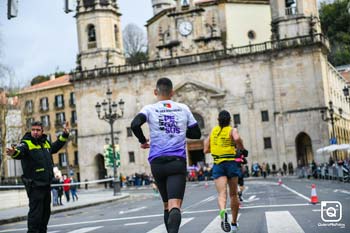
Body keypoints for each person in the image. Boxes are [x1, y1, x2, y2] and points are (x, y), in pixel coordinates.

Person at [131, 77, 201, 233]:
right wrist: (180, 128)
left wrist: (143, 140)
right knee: (174, 205)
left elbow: (135, 124)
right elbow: (196, 133)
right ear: (172, 92)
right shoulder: (183, 108)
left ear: (156, 92)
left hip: (157, 163)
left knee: (166, 205)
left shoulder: (149, 109)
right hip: (177, 162)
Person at [6, 121, 69, 233]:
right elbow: (20, 152)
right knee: (36, 216)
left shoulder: (45, 143)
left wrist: (64, 135)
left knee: (45, 215)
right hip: (34, 186)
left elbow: (55, 147)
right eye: (33, 130)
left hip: (46, 185)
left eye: (38, 130)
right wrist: (14, 153)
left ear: (42, 131)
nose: (35, 132)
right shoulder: (26, 143)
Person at [203, 110, 245, 233]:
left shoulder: (213, 131)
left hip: (218, 164)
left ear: (218, 120)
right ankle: (233, 223)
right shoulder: (232, 130)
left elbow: (206, 149)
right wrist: (241, 147)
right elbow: (237, 138)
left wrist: (217, 148)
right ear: (229, 120)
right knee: (233, 194)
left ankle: (223, 212)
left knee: (222, 194)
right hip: (231, 163)